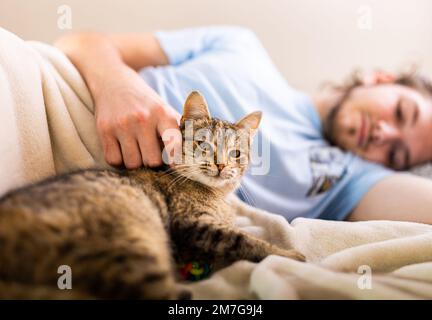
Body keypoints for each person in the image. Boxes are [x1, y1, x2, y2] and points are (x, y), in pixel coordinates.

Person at [54, 26, 432, 223]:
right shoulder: (240, 44)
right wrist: (118, 86)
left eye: (396, 154)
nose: (385, 134)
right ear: (382, 79)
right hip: (56, 100)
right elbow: (79, 41)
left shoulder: (349, 179)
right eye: (401, 112)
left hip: (97, 206)